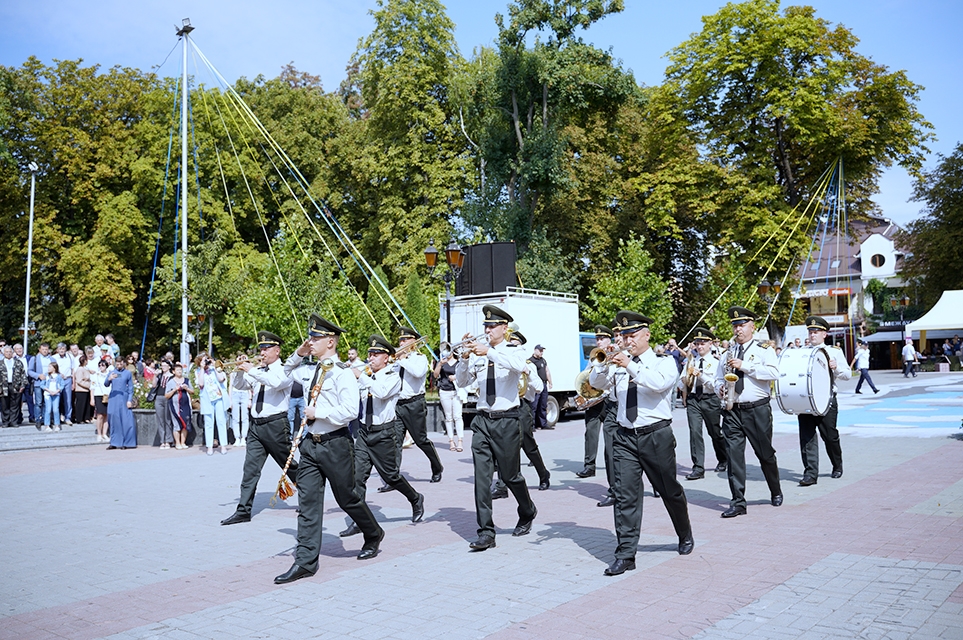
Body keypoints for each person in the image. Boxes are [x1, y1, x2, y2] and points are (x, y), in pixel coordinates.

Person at [274, 314, 384, 585]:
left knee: (347, 498)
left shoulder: (343, 373)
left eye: (315, 338)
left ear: (331, 342)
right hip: (311, 445)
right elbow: (284, 373)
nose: (310, 342)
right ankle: (305, 561)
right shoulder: (310, 369)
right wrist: (297, 354)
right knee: (308, 503)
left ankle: (373, 533)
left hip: (336, 444)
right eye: (310, 337)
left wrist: (317, 411)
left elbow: (350, 411)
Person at [589, 310, 694, 576]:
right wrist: (603, 363)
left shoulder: (664, 362)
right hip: (625, 436)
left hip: (655, 435)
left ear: (647, 335)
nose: (627, 339)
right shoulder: (619, 362)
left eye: (632, 334)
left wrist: (629, 364)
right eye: (624, 335)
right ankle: (625, 554)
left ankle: (684, 533)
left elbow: (658, 385)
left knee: (669, 489)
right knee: (625, 497)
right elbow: (595, 384)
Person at [455, 305, 537, 552]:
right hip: (482, 420)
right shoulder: (480, 353)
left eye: (492, 326)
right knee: (482, 480)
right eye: (486, 326)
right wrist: (465, 358)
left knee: (511, 476)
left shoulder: (514, 350)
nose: (488, 330)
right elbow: (461, 381)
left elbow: (519, 366)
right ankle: (486, 532)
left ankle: (527, 509)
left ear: (504, 328)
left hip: (507, 420)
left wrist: (488, 351)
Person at [340, 335, 426, 538]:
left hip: (383, 433)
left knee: (391, 476)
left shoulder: (393, 376)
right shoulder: (368, 376)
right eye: (369, 354)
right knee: (357, 478)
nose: (371, 358)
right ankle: (358, 520)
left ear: (387, 358)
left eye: (376, 354)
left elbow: (381, 392)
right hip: (364, 432)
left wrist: (361, 376)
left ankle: (415, 498)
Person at [221, 331, 298, 526]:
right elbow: (241, 385)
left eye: (266, 349)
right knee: (250, 470)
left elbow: (277, 383)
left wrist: (251, 369)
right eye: (261, 349)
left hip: (275, 425)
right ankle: (243, 510)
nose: (262, 352)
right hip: (256, 426)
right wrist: (239, 369)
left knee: (289, 466)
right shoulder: (258, 370)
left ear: (277, 350)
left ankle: (310, 498)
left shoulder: (284, 370)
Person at [713, 306, 783, 518]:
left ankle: (775, 489)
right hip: (733, 409)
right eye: (735, 326)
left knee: (765, 454)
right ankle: (738, 502)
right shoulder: (728, 353)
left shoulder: (764, 349)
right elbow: (717, 379)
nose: (738, 330)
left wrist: (745, 366)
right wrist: (720, 389)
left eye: (742, 325)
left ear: (753, 326)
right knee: (734, 457)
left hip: (757, 409)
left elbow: (774, 373)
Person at [491, 324, 551, 495]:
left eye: (514, 343)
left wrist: (528, 373)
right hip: (504, 406)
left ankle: (543, 474)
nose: (511, 345)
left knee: (528, 446)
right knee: (505, 446)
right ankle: (503, 486)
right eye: (509, 342)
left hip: (521, 406)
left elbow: (539, 387)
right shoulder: (501, 362)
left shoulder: (528, 364)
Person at [798, 316, 851, 485]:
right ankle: (810, 474)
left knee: (830, 436)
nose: (813, 334)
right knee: (807, 437)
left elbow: (848, 375)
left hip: (826, 400)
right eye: (811, 331)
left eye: (816, 332)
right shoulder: (801, 352)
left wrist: (836, 368)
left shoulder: (834, 352)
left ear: (824, 334)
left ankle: (837, 464)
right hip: (806, 400)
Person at [390, 327, 444, 485]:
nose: (402, 342)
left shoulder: (419, 358)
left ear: (414, 341)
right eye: (400, 340)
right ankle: (392, 478)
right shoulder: (397, 361)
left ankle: (437, 467)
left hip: (414, 403)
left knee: (421, 440)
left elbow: (418, 372)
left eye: (405, 339)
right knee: (395, 442)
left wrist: (402, 359)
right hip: (398, 404)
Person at [576, 326, 620, 508]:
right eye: (597, 339)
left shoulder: (619, 356)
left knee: (616, 448)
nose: (599, 342)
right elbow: (587, 378)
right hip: (598, 402)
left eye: (602, 338)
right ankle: (590, 466)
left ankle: (654, 480)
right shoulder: (596, 357)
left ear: (609, 339)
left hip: (615, 404)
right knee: (592, 434)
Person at [681, 327, 727, 480]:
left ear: (710, 344)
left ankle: (723, 458)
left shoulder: (716, 363)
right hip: (694, 399)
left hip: (710, 399)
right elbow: (683, 381)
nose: (700, 347)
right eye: (697, 344)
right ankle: (698, 467)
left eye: (703, 343)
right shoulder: (691, 361)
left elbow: (715, 384)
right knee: (695, 433)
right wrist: (684, 385)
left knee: (715, 432)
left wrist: (700, 375)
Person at [432, 343, 464, 452]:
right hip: (444, 391)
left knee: (458, 416)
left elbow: (464, 375)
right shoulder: (442, 362)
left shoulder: (459, 363)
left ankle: (460, 440)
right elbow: (435, 375)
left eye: (448, 350)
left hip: (457, 392)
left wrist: (456, 377)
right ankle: (451, 441)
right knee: (448, 417)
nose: (447, 352)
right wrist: (440, 364)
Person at [196, 356, 229, 455]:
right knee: (208, 423)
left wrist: (215, 367)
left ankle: (223, 445)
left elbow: (221, 379)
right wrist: (202, 368)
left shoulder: (217, 369)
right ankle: (209, 446)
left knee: (221, 421)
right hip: (207, 399)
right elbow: (201, 384)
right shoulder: (199, 372)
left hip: (219, 398)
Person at [105, 356, 136, 449]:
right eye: (117, 364)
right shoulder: (112, 372)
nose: (119, 365)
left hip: (124, 397)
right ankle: (114, 442)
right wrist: (109, 379)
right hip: (114, 398)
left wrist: (129, 400)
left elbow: (130, 388)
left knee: (126, 420)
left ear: (123, 363)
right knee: (113, 419)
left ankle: (127, 442)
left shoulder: (127, 373)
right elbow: (106, 384)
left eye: (120, 363)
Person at [166, 362, 193, 449]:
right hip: (175, 406)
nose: (179, 371)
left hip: (185, 405)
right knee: (177, 424)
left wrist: (186, 388)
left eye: (180, 370)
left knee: (185, 424)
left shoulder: (186, 380)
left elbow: (192, 391)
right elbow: (166, 395)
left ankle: (183, 442)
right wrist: (174, 390)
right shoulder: (170, 382)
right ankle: (177, 442)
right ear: (173, 372)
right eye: (177, 370)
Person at [1, 345, 28, 428]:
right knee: (5, 405)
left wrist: (23, 385)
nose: (8, 353)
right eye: (7, 352)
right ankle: (5, 422)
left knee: (15, 405)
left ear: (13, 353)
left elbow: (23, 375)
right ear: (3, 353)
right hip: (3, 387)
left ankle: (14, 421)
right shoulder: (0, 363)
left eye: (10, 352)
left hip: (15, 386)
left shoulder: (18, 362)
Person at [229, 355, 252, 447]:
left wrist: (250, 399)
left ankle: (243, 438)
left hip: (245, 393)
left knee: (244, 417)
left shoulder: (247, 371)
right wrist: (230, 399)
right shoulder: (233, 372)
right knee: (235, 417)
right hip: (235, 394)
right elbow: (230, 385)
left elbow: (250, 385)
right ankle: (237, 438)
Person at [29, 343, 54, 429]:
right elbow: (30, 371)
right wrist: (38, 375)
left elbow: (56, 370)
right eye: (43, 349)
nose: (45, 351)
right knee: (39, 402)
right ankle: (38, 419)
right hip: (38, 383)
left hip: (49, 384)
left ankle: (46, 419)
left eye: (46, 349)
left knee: (47, 402)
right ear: (39, 349)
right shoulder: (35, 359)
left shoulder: (52, 359)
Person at [529, 344, 553, 429]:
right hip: (536, 386)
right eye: (540, 350)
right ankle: (532, 425)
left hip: (544, 384)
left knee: (543, 405)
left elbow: (547, 371)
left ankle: (543, 424)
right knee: (534, 405)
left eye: (542, 350)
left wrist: (550, 382)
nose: (542, 352)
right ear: (535, 350)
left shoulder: (543, 360)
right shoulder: (530, 361)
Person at [153, 360, 174, 449]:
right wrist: (154, 375)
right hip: (159, 396)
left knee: (168, 419)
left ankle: (169, 440)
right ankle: (162, 441)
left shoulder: (172, 377)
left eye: (165, 366)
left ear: (169, 367)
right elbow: (154, 385)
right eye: (162, 366)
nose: (163, 367)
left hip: (168, 397)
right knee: (160, 419)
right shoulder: (160, 375)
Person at [51, 343, 74, 425]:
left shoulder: (70, 357)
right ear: (57, 350)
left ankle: (68, 417)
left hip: (68, 379)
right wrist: (58, 374)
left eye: (63, 349)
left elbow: (72, 370)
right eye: (60, 349)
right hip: (57, 380)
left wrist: (73, 382)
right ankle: (56, 418)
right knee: (56, 399)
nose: (61, 350)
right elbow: (51, 369)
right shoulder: (53, 357)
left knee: (68, 400)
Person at [41, 361, 65, 431]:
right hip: (48, 395)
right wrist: (48, 390)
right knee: (48, 410)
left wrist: (57, 391)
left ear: (54, 368)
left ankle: (57, 424)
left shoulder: (59, 376)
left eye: (50, 367)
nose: (48, 368)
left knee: (55, 409)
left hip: (56, 394)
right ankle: (47, 425)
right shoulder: (46, 376)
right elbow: (42, 385)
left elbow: (62, 385)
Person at [91, 359, 110, 442]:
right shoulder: (95, 375)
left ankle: (104, 433)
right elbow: (92, 387)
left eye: (103, 365)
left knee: (106, 415)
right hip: (98, 395)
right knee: (100, 415)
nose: (101, 367)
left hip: (108, 395)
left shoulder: (109, 374)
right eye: (100, 365)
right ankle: (99, 434)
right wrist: (92, 398)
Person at [14, 343, 32, 424]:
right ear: (14, 350)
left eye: (20, 348)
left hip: (28, 380)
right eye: (17, 349)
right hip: (17, 382)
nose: (19, 350)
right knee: (17, 401)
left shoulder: (29, 358)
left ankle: (32, 417)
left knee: (30, 400)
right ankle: (18, 418)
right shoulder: (13, 359)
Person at [71, 354, 93, 424]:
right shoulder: (80, 369)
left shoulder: (86, 368)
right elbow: (79, 380)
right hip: (81, 389)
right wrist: (88, 385)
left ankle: (86, 418)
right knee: (81, 404)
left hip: (86, 390)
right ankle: (79, 418)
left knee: (86, 404)